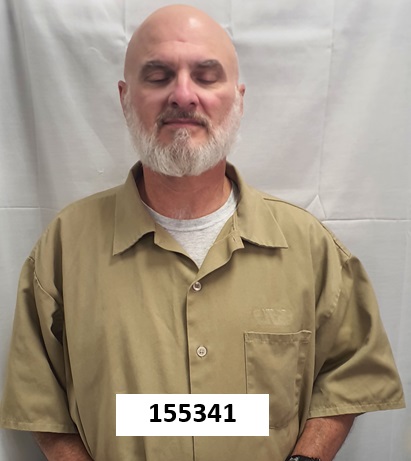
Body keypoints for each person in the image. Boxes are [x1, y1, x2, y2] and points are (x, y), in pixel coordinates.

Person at [0, 4, 405, 461]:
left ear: (238, 98)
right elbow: (40, 401)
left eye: (206, 76)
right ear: (124, 97)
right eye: (158, 76)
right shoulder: (64, 248)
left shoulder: (310, 249)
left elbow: (350, 375)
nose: (183, 95)